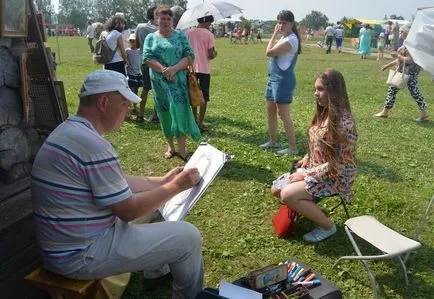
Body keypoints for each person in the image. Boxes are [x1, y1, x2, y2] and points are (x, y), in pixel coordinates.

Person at [31, 70, 204, 298]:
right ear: (104, 102)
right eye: (124, 104)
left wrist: (163, 181)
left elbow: (118, 181)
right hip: (80, 254)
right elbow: (129, 211)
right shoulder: (92, 145)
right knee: (188, 237)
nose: (127, 111)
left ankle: (156, 273)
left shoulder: (72, 131)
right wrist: (176, 186)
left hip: (67, 245)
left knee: (159, 207)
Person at [271, 69, 357, 242]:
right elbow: (317, 145)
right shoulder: (325, 112)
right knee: (276, 189)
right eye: (315, 89)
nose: (315, 94)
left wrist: (304, 174)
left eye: (320, 89)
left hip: (336, 178)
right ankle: (307, 205)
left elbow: (337, 166)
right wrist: (306, 159)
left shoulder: (344, 125)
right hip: (315, 170)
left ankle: (328, 227)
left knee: (287, 194)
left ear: (333, 91)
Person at [143, 5, 201, 162]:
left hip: (178, 84)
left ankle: (182, 150)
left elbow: (189, 56)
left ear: (172, 20)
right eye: (162, 18)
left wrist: (174, 69)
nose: (166, 21)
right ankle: (171, 147)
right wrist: (164, 70)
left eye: (169, 18)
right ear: (156, 20)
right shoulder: (150, 38)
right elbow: (147, 58)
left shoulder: (180, 36)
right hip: (160, 85)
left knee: (180, 112)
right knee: (165, 114)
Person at [260, 10, 300, 155]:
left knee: (284, 115)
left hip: (283, 81)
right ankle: (273, 141)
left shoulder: (291, 40)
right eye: (279, 22)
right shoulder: (285, 38)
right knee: (270, 111)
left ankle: (293, 148)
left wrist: (273, 34)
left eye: (284, 22)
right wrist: (277, 35)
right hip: (273, 79)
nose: (281, 25)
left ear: (291, 24)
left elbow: (269, 52)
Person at [375, 24, 428, 122]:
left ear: (408, 33)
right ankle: (385, 111)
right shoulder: (406, 44)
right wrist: (387, 65)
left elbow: (410, 60)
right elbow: (400, 60)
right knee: (393, 89)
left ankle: (424, 112)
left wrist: (397, 56)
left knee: (414, 92)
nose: (400, 32)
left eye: (402, 31)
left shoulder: (411, 45)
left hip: (410, 73)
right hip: (403, 71)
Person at [186, 15, 217, 133]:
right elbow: (211, 54)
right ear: (206, 22)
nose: (210, 25)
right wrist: (215, 53)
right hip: (204, 69)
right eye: (210, 23)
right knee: (204, 96)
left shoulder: (188, 33)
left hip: (190, 68)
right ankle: (200, 122)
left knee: (193, 94)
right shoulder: (209, 34)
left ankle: (193, 120)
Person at [135, 6, 159, 123]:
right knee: (157, 89)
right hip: (157, 62)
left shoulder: (140, 27)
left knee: (145, 89)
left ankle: (140, 114)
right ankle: (155, 115)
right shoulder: (158, 30)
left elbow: (137, 43)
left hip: (144, 60)